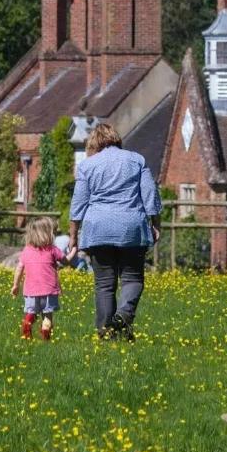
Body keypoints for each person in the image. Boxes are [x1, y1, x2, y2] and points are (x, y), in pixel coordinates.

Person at [68, 123, 161, 340]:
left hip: (98, 229)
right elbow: (150, 195)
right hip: (131, 227)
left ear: (94, 144)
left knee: (104, 284)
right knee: (132, 279)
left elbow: (78, 203)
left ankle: (105, 331)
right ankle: (124, 315)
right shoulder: (137, 160)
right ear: (117, 141)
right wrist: (156, 223)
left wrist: (73, 235)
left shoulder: (87, 166)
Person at [10, 217, 76, 340]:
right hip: (49, 291)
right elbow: (66, 261)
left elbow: (19, 268)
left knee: (31, 312)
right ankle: (46, 334)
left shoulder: (26, 250)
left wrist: (15, 285)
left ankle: (27, 325)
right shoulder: (52, 249)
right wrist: (74, 251)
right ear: (49, 233)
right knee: (47, 316)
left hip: (31, 291)